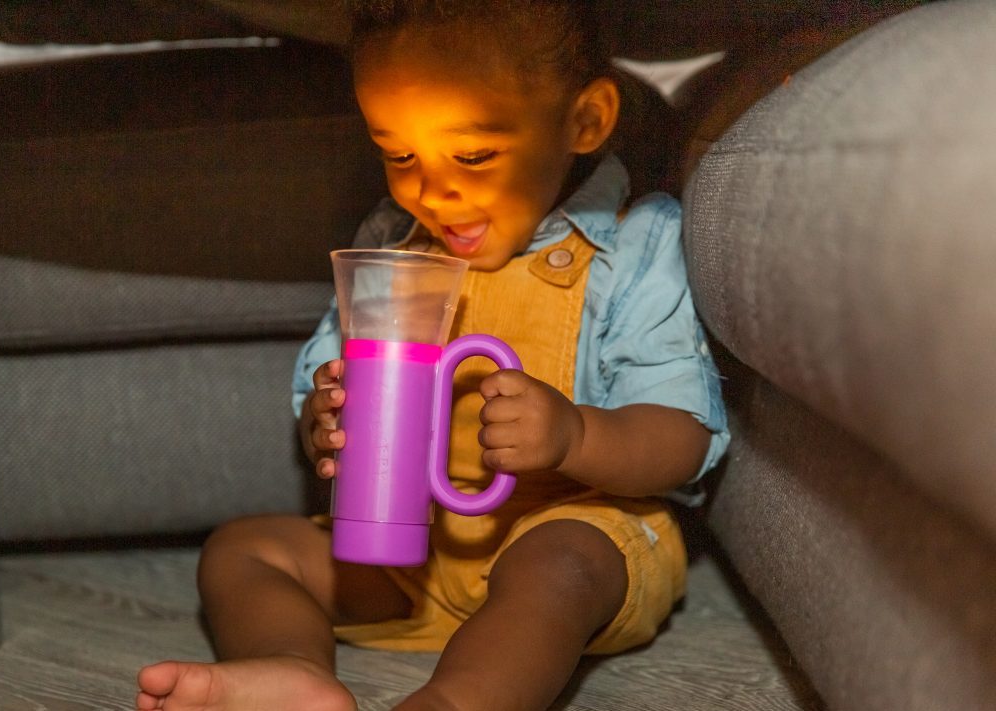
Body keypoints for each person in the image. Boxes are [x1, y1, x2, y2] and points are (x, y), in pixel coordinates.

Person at [136, 2, 728, 709]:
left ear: (585, 122)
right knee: (240, 549)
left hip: (576, 526)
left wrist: (576, 433)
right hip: (412, 545)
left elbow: (684, 437)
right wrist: (327, 418)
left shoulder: (633, 242)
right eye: (399, 154)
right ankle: (291, 670)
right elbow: (331, 388)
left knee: (558, 565)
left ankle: (455, 700)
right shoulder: (391, 243)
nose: (431, 189)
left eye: (473, 154)